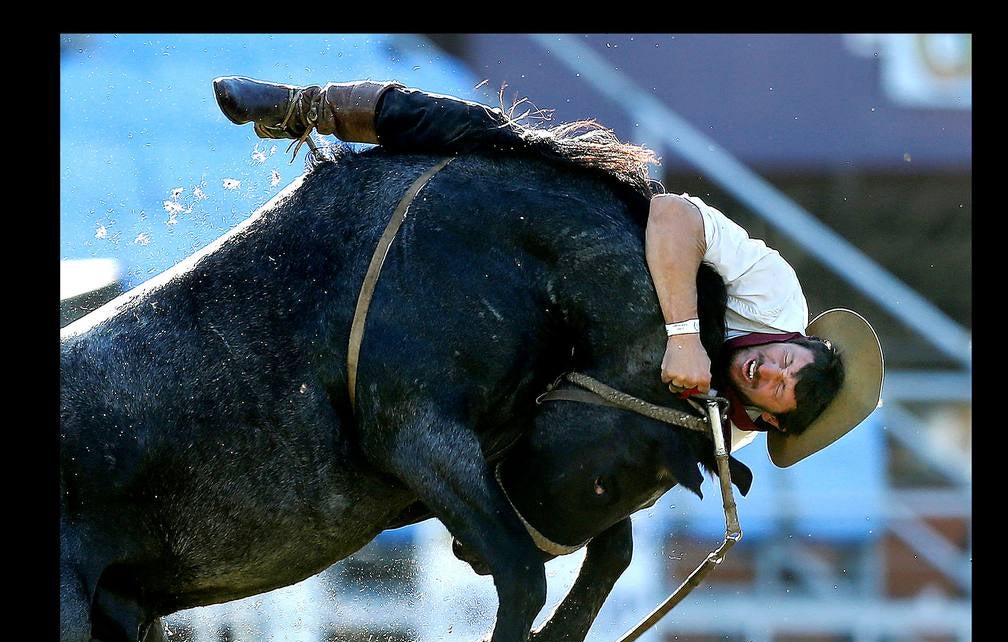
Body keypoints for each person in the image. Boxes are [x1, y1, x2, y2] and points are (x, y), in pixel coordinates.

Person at [213, 76, 883, 467]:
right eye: (788, 361)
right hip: (599, 230)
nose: (771, 370)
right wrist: (683, 336)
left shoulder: (716, 439)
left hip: (544, 363)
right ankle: (306, 107)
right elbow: (674, 216)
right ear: (792, 340)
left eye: (780, 389)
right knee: (498, 136)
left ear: (768, 420)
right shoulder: (776, 297)